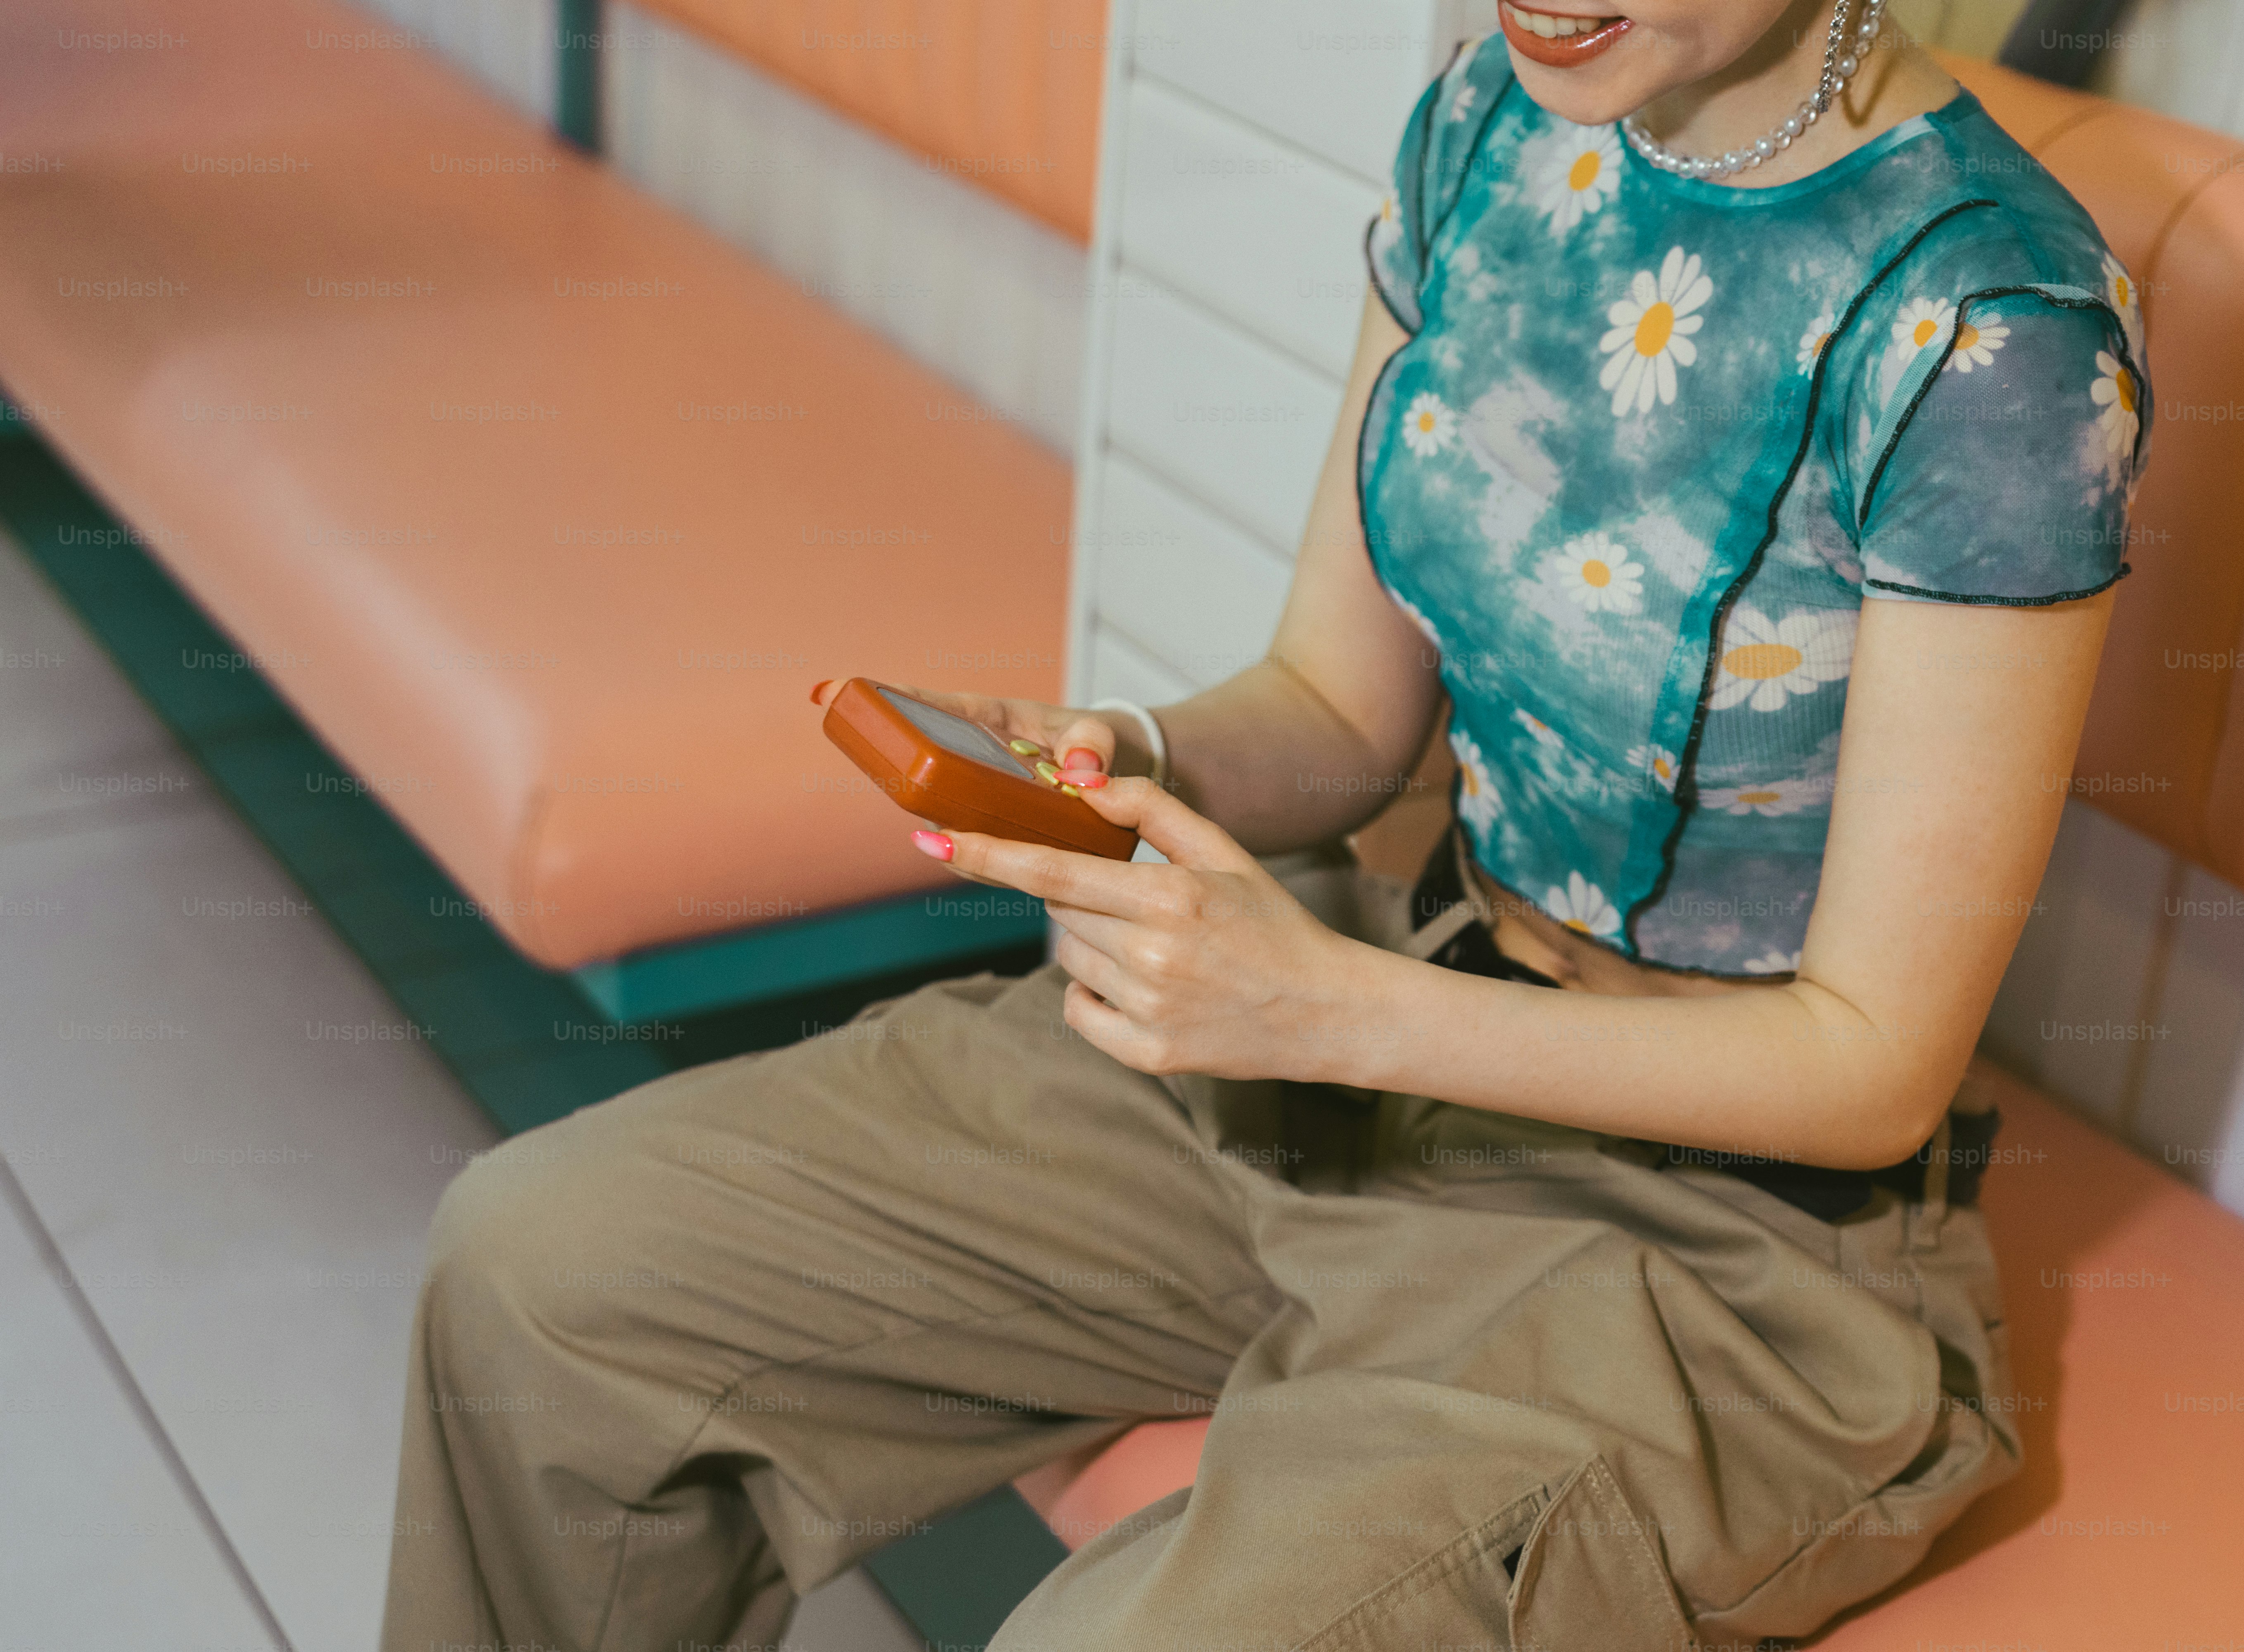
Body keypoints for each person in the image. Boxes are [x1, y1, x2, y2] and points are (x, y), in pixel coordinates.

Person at [382, 1, 2148, 1646]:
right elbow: (1335, 707)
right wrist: (1125, 755)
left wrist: (1325, 1008)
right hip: (1383, 1040)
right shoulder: (1494, 122)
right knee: (544, 1277)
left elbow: (1870, 1067)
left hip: (1724, 1247)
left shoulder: (1997, 329)